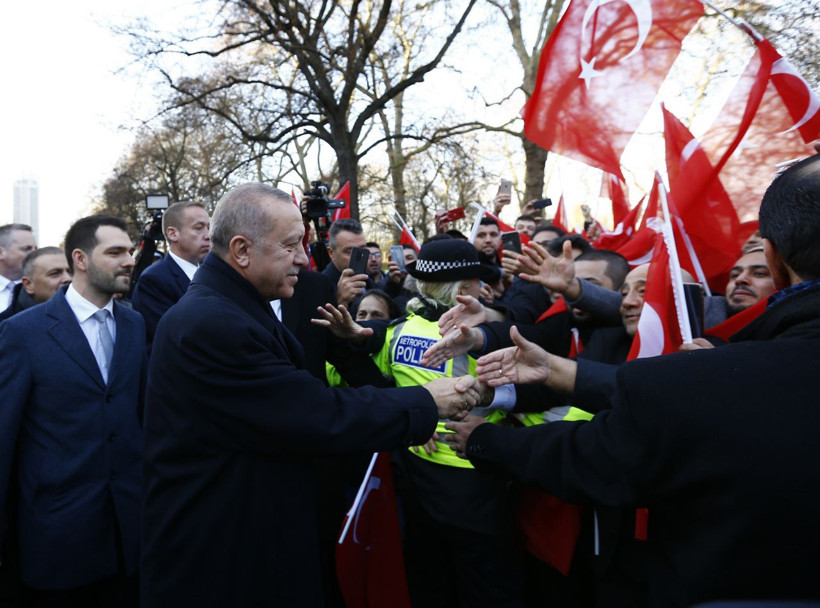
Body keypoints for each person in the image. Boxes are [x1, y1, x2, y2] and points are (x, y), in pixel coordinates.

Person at [447, 154, 820, 607]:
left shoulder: (707, 373)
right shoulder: (703, 371)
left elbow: (603, 449)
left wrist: (485, 441)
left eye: (643, 292)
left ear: (776, 261)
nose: (630, 303)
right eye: (625, 293)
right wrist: (556, 368)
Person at [140, 183, 480, 608]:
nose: (304, 257)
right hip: (225, 557)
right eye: (290, 246)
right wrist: (426, 401)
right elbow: (313, 412)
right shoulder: (213, 323)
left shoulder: (233, 305)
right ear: (242, 250)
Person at [316, 237, 523, 608]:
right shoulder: (478, 338)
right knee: (486, 586)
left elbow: (375, 383)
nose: (481, 288)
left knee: (429, 581)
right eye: (475, 282)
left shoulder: (398, 330)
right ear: (462, 290)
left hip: (416, 478)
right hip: (472, 478)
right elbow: (525, 393)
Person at [0, 216, 145, 607]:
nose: (129, 260)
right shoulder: (22, 333)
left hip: (130, 539)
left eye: (129, 251)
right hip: (57, 541)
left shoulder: (136, 325)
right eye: (115, 252)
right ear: (80, 259)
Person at [131, 201, 210, 351]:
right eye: (199, 228)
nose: (208, 235)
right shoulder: (153, 280)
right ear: (173, 233)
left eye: (209, 227)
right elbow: (168, 341)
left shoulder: (214, 274)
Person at [0, 247, 71, 322]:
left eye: (71, 272)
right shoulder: (7, 327)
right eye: (55, 273)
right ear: (28, 284)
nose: (68, 278)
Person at [0, 224, 37, 312]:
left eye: (36, 249)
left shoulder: (41, 290)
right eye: (26, 249)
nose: (35, 254)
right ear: (1, 253)